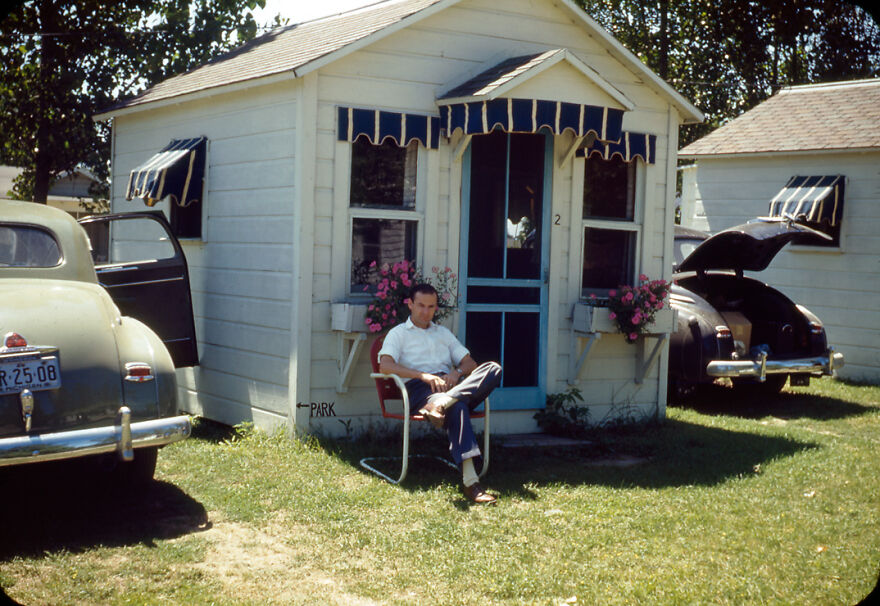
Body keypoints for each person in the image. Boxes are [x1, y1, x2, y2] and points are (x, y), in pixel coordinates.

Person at [378, 283, 502, 504]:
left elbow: (470, 363)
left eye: (431, 307)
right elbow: (385, 366)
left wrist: (456, 373)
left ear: (436, 308)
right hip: (422, 392)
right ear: (410, 304)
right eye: (421, 306)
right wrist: (422, 376)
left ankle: (444, 403)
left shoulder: (443, 333)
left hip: (452, 387)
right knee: (459, 406)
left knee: (493, 368)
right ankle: (471, 483)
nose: (426, 312)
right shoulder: (398, 334)